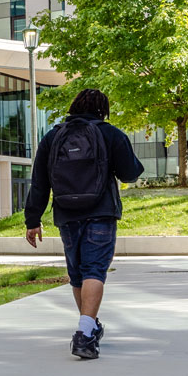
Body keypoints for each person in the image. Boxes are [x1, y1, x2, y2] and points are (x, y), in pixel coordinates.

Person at [25, 89, 144, 360]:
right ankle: (85, 333)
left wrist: (33, 220)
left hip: (66, 214)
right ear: (103, 109)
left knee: (78, 273)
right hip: (101, 211)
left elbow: (39, 183)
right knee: (94, 269)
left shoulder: (53, 137)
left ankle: (87, 325)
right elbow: (131, 173)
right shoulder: (110, 134)